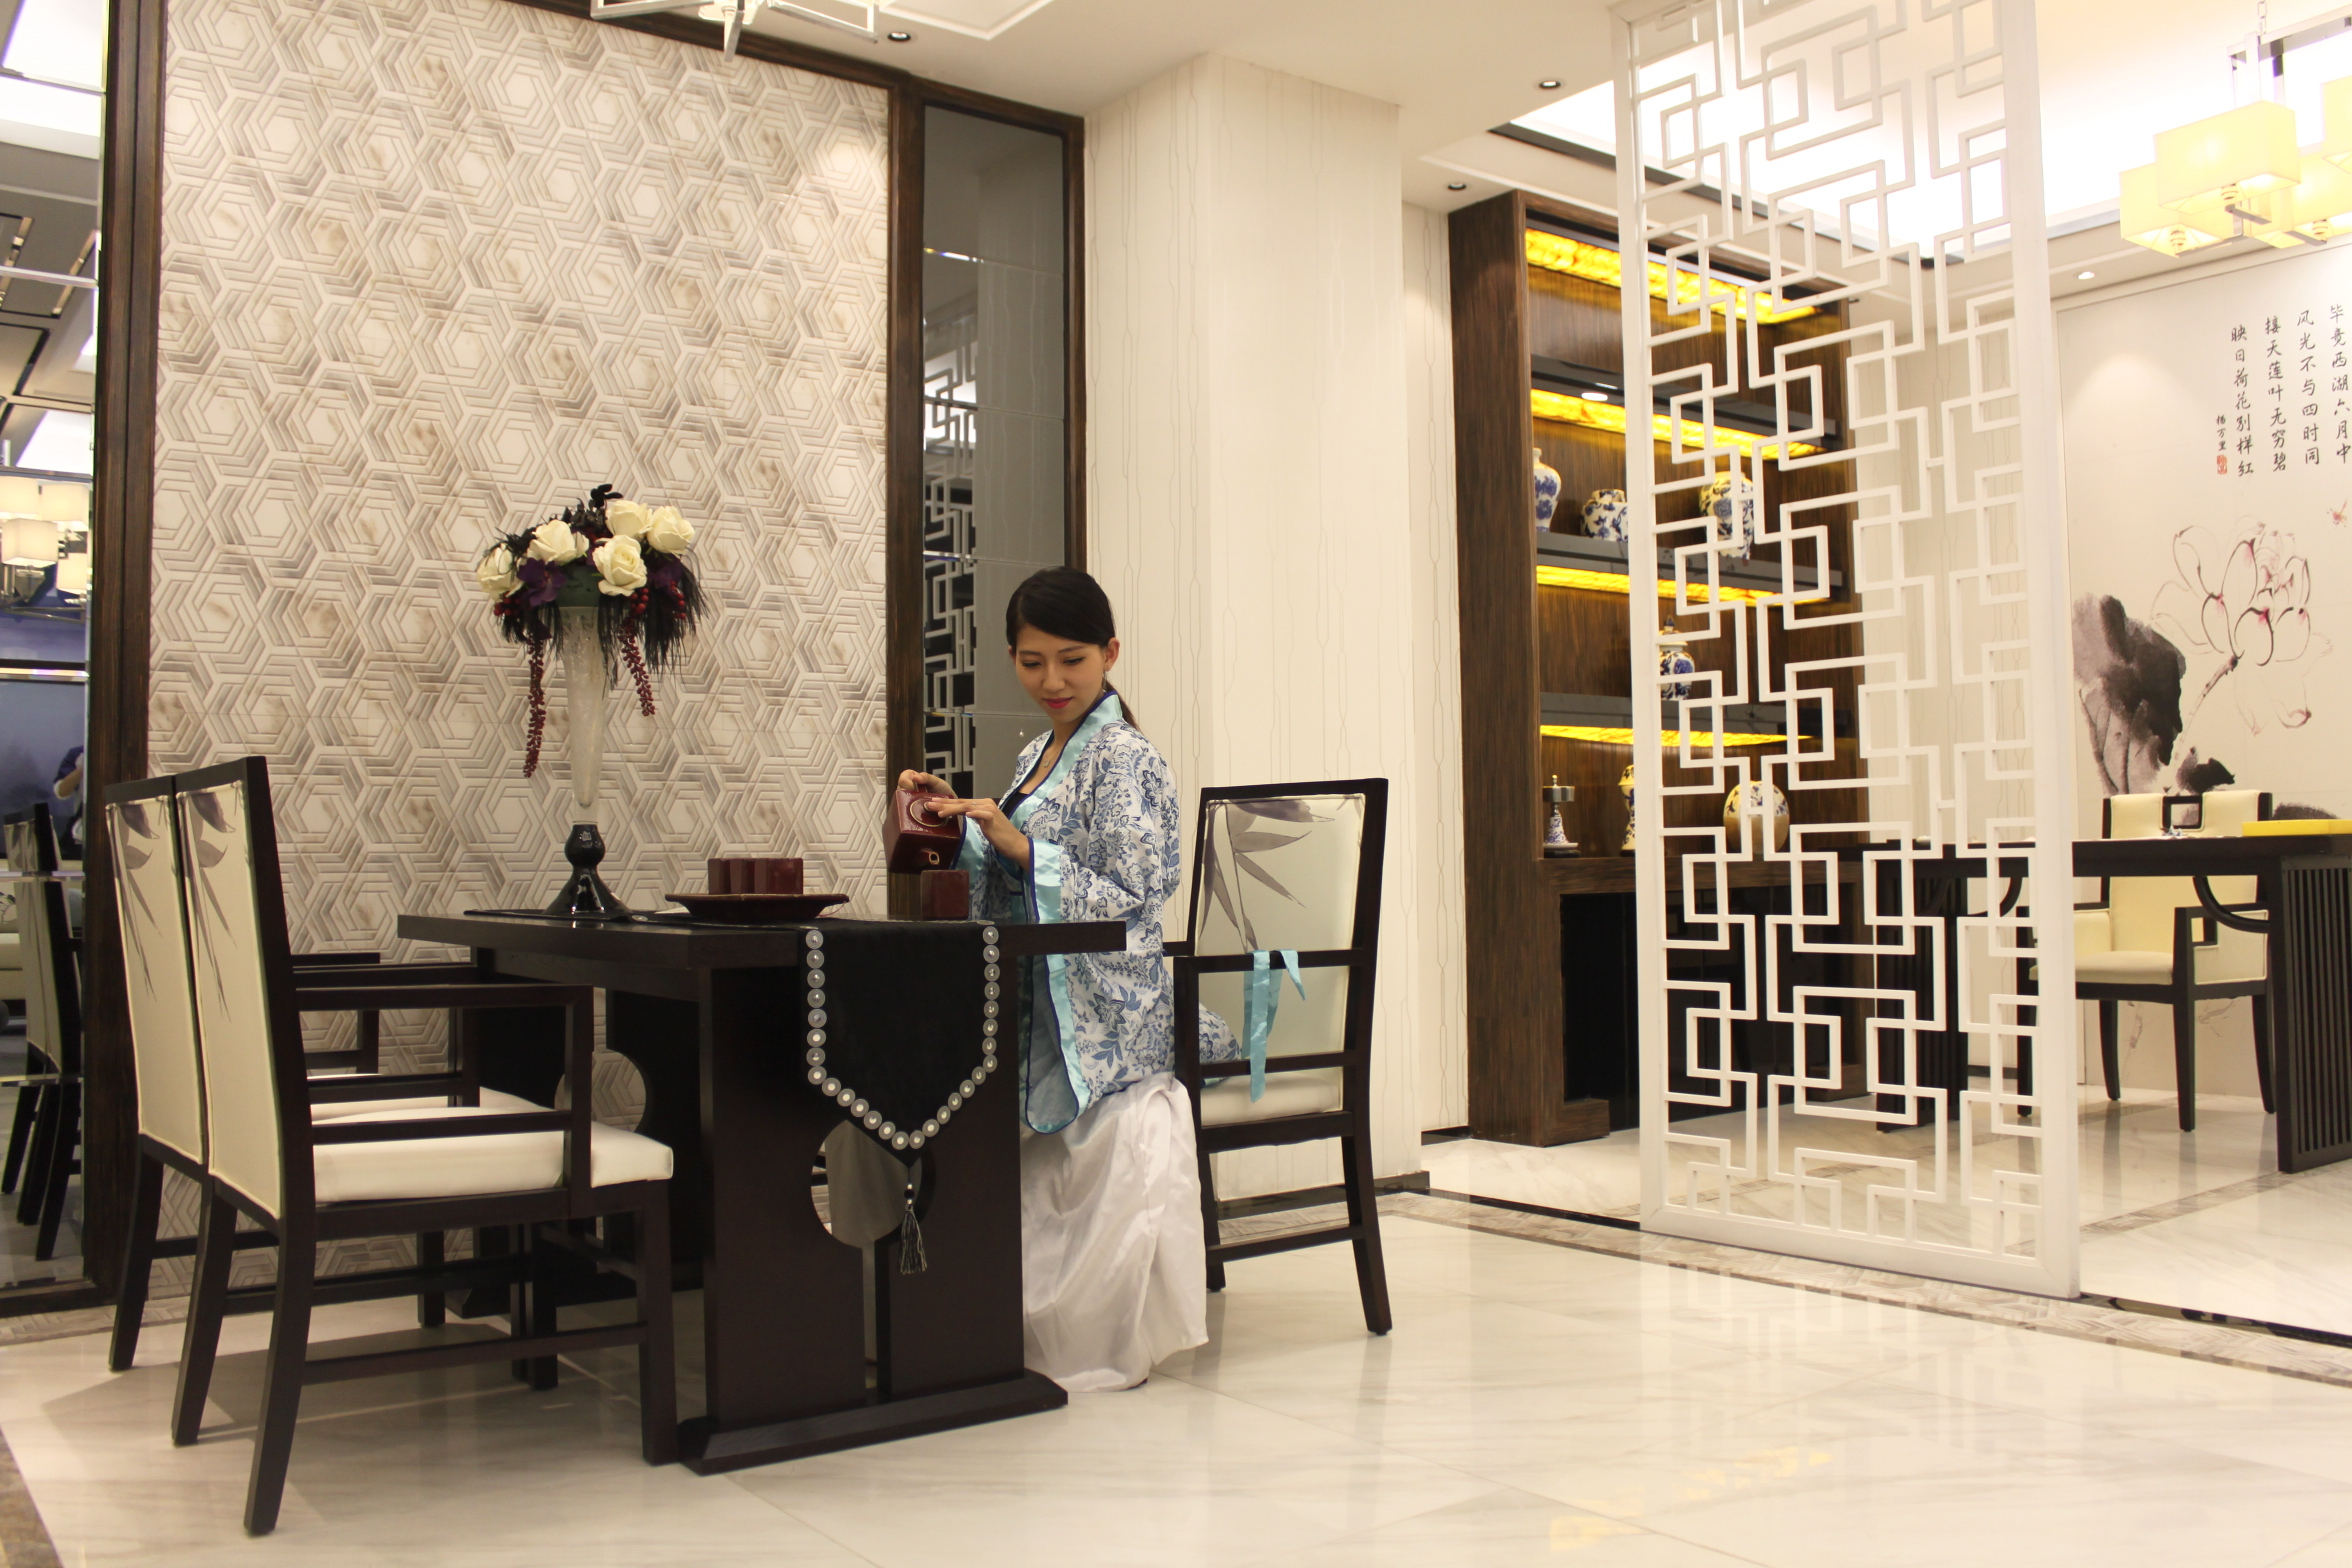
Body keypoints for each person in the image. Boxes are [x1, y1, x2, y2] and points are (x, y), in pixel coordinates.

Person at [892, 566, 1239, 1392]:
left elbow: (1135, 893)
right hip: (1045, 994)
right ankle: (959, 1313)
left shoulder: (1126, 757)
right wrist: (959, 819)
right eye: (1031, 660)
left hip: (1109, 1005)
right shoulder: (1036, 755)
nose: (1051, 679)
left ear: (1110, 653)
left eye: (1072, 660)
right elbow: (1013, 871)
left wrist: (1018, 845)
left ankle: (1063, 1329)